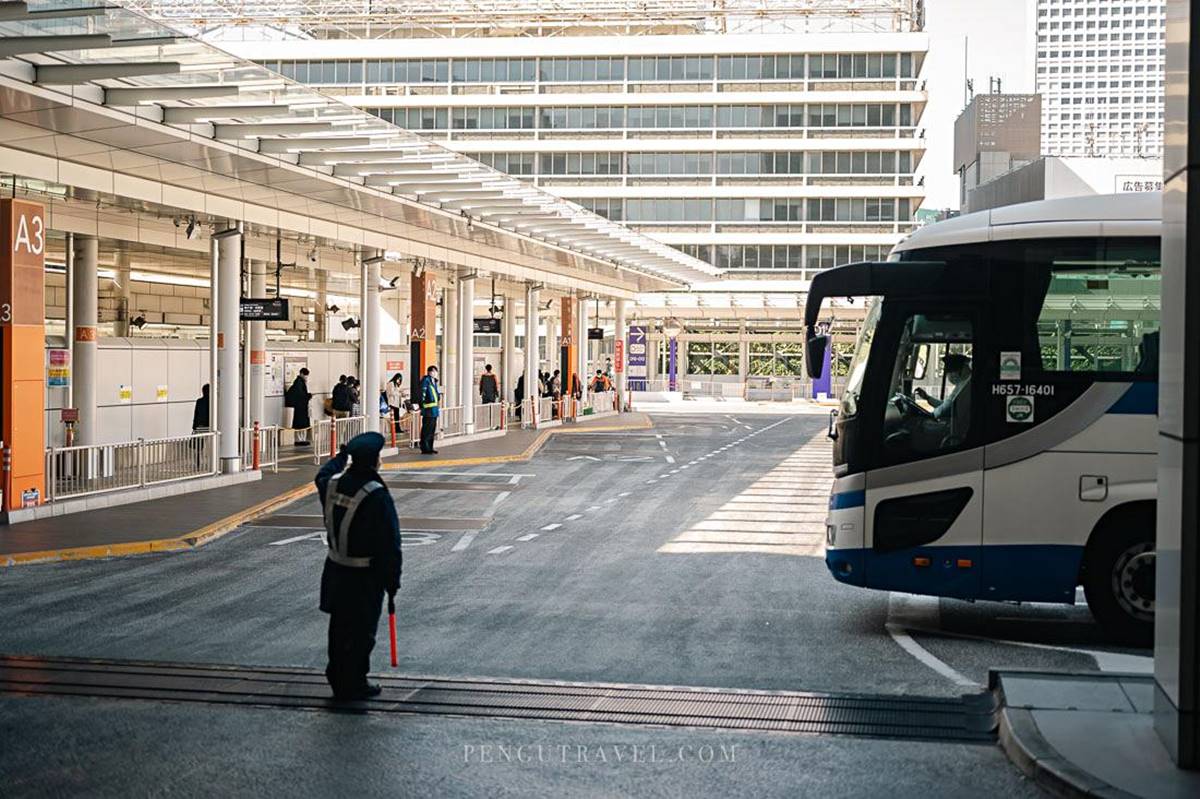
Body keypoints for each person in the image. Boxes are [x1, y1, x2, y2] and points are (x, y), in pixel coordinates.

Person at [315, 431, 402, 701]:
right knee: (362, 631)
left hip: (335, 569)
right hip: (365, 577)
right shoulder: (377, 495)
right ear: (375, 461)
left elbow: (322, 475)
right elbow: (390, 544)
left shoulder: (332, 485)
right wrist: (392, 581)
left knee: (339, 627)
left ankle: (337, 677)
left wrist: (340, 457)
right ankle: (355, 681)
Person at [285, 368, 314, 446]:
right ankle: (299, 440)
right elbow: (300, 395)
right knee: (300, 425)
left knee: (302, 425)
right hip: (300, 408)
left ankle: (302, 440)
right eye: (305, 375)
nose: (306, 376)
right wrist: (308, 396)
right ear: (301, 373)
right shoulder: (298, 383)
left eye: (307, 375)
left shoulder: (300, 382)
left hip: (300, 407)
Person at [418, 365, 441, 454]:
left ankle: (430, 447)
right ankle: (425, 448)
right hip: (428, 410)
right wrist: (422, 406)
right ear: (430, 372)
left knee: (432, 430)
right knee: (426, 430)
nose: (435, 373)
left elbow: (436, 394)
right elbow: (422, 395)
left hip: (434, 410)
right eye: (434, 371)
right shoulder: (425, 381)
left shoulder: (433, 382)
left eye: (436, 371)